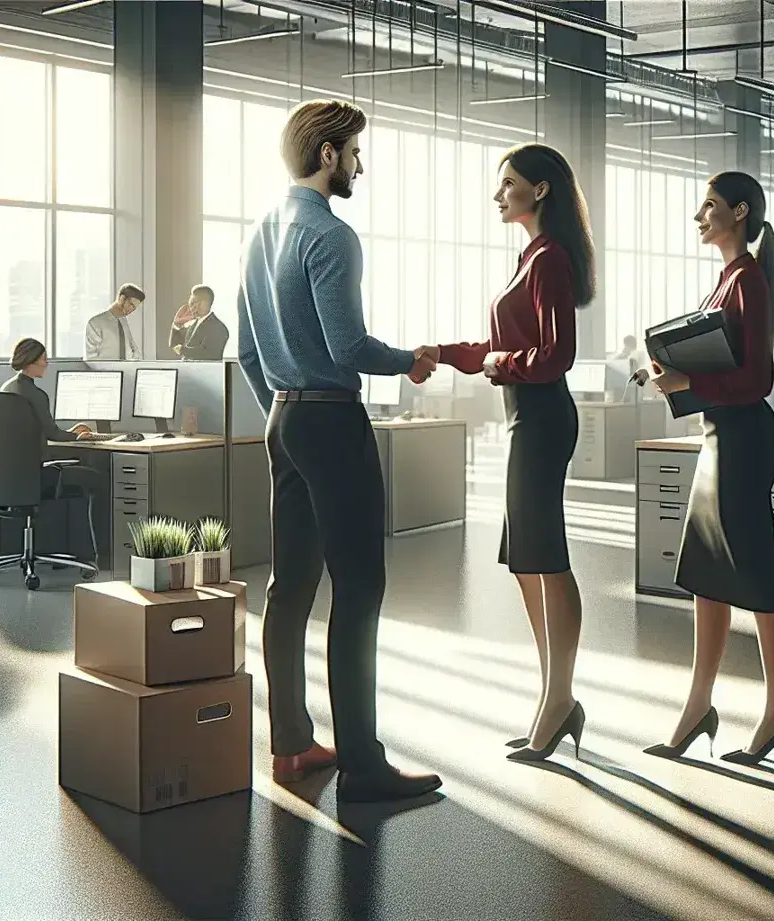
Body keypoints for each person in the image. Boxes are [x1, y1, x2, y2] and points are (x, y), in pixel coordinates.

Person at [236, 98, 441, 803]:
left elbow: (247, 351)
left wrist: (284, 412)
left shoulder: (260, 233)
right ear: (328, 154)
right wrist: (413, 358)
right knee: (359, 587)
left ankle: (290, 745)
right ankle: (362, 762)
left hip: (284, 421)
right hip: (328, 419)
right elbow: (349, 346)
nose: (358, 164)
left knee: (287, 587)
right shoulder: (330, 234)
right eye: (353, 152)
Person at [435, 143, 595, 762]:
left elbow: (556, 355)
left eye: (508, 184)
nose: (498, 195)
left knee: (547, 557)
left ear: (541, 190)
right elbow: (499, 344)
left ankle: (560, 698)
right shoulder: (528, 259)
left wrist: (501, 363)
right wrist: (443, 352)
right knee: (526, 558)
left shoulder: (549, 259)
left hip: (544, 418)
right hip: (522, 419)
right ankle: (553, 696)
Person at [639, 171, 774, 764]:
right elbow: (716, 370)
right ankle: (698, 707)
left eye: (708, 206)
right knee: (707, 571)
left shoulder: (748, 280)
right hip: (718, 435)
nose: (698, 216)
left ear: (739, 211)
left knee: (756, 570)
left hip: (744, 435)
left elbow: (758, 378)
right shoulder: (726, 280)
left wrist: (689, 379)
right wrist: (672, 378)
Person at [0, 337, 104, 496]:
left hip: (7, 475)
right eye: (44, 359)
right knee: (97, 479)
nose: (46, 364)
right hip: (35, 474)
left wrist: (71, 432)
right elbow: (52, 434)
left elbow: (45, 430)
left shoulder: (6, 388)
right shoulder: (36, 395)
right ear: (31, 361)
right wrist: (78, 437)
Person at [170, 285, 230, 361]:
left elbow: (208, 354)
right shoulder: (192, 325)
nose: (191, 308)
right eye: (190, 304)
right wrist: (176, 325)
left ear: (204, 303)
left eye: (192, 304)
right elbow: (174, 346)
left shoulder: (218, 327)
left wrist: (182, 350)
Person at [85, 284, 145, 360]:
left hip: (127, 370)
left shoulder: (124, 322)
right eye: (131, 305)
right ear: (122, 298)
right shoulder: (95, 323)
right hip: (106, 371)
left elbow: (133, 348)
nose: (132, 310)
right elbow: (91, 359)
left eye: (134, 308)